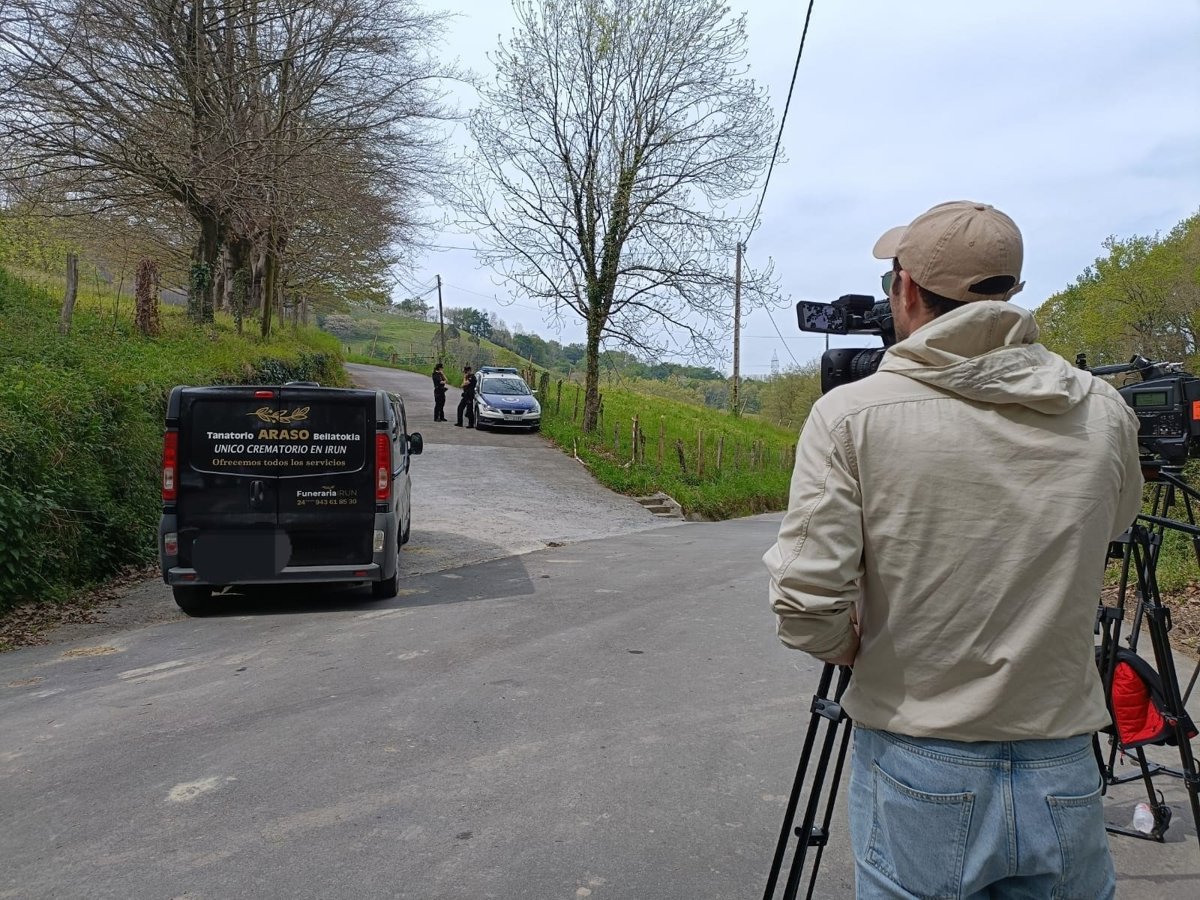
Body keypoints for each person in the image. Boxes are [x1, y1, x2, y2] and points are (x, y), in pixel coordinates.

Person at [763, 201, 1143, 899]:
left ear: (907, 290)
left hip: (919, 758)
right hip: (1062, 760)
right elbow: (1115, 526)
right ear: (1011, 292)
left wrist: (852, 649)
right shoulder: (1104, 411)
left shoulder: (850, 416)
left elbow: (804, 601)